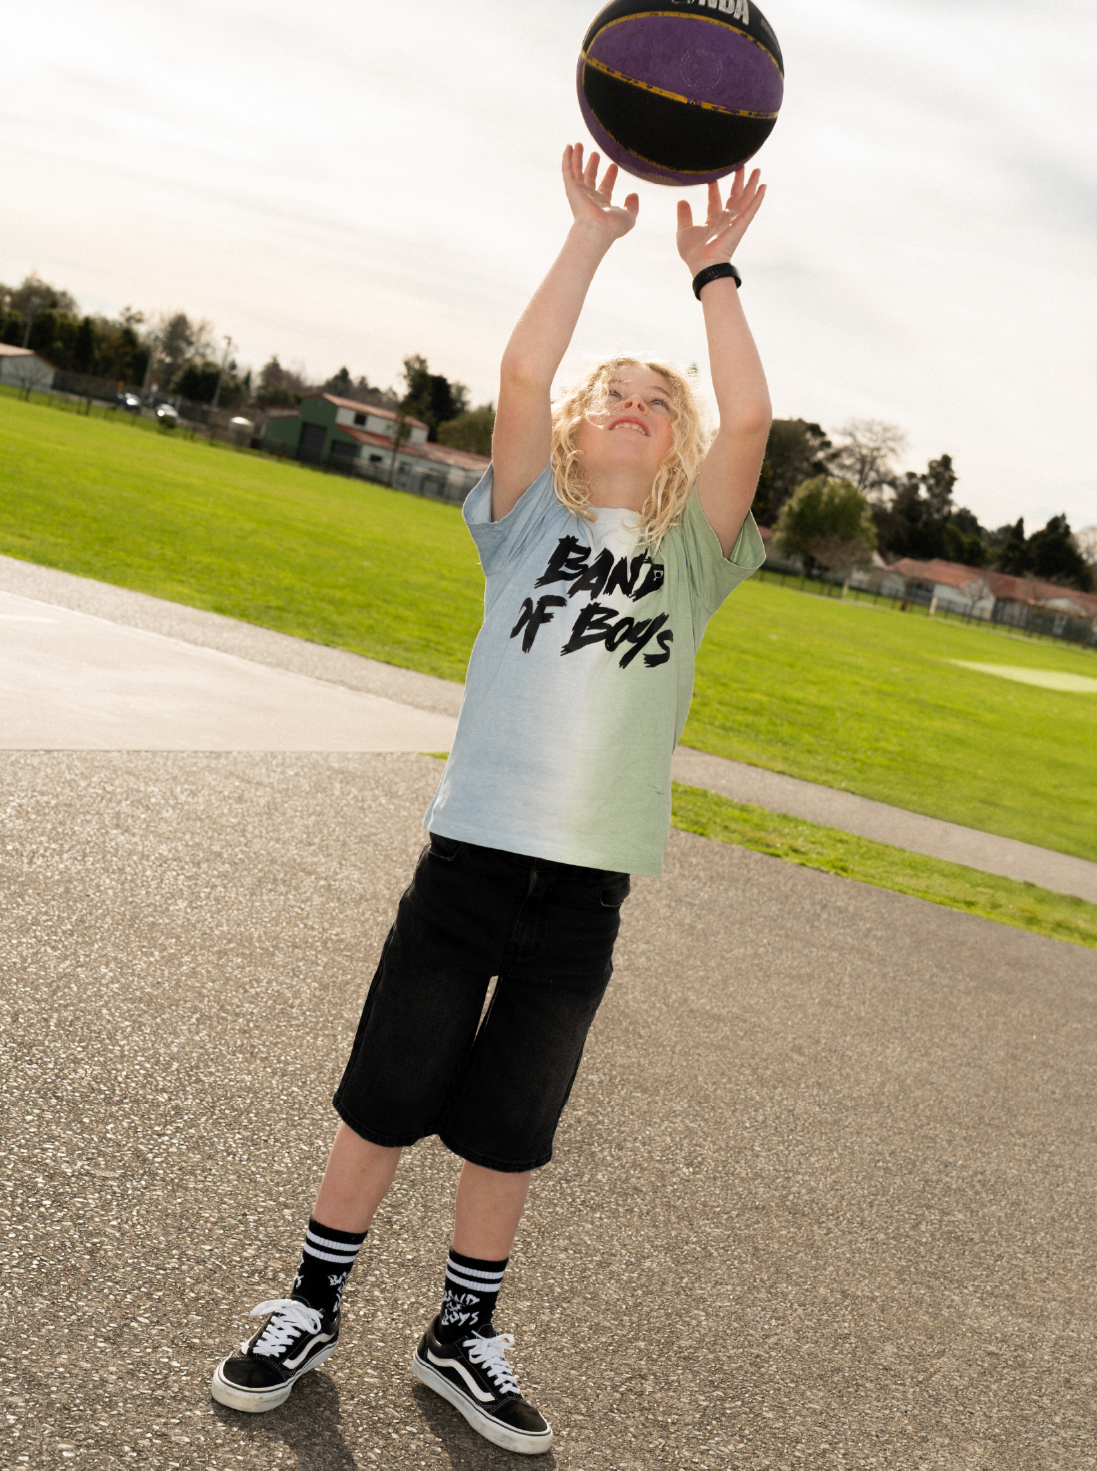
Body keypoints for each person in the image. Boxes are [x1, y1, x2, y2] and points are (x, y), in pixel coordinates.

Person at [210, 143, 771, 1455]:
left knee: (513, 1121)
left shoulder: (694, 557)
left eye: (654, 399)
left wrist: (714, 274)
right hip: (468, 863)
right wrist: (588, 239)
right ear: (575, 428)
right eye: (612, 393)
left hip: (585, 890)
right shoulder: (525, 517)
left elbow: (748, 417)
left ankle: (463, 1333)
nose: (633, 404)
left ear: (674, 441)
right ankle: (310, 1299)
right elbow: (523, 371)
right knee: (385, 1091)